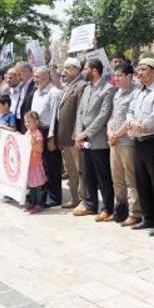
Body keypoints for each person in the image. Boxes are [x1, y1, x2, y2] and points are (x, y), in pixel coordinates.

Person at [125, 58, 154, 233]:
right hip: (138, 141)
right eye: (138, 69)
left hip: (152, 140)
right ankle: (148, 217)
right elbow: (129, 110)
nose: (139, 73)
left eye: (143, 69)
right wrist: (131, 123)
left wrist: (142, 125)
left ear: (153, 71)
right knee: (141, 181)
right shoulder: (138, 91)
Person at [74, 59, 116, 220]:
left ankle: (108, 208)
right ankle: (90, 204)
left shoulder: (108, 89)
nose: (83, 71)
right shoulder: (86, 89)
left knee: (103, 176)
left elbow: (102, 116)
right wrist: (79, 133)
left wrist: (84, 134)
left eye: (85, 68)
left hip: (98, 141)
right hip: (84, 140)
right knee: (88, 174)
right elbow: (80, 113)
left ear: (94, 71)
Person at [107, 63, 139, 224]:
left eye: (120, 75)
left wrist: (116, 134)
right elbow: (112, 116)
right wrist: (110, 133)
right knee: (117, 178)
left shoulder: (135, 93)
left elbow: (130, 120)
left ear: (129, 76)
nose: (116, 79)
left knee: (130, 179)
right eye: (115, 75)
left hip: (127, 142)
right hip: (114, 141)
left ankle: (135, 212)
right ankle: (120, 210)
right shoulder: (117, 93)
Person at [55, 58, 89, 211]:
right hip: (65, 137)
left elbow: (81, 112)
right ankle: (75, 198)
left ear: (76, 69)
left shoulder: (81, 85)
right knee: (71, 171)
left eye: (67, 68)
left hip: (74, 137)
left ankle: (84, 200)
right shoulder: (67, 86)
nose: (64, 72)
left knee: (80, 169)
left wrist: (78, 134)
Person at [30, 67, 63, 207]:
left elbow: (55, 117)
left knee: (52, 166)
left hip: (49, 131)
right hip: (38, 131)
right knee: (42, 166)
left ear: (48, 77)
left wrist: (51, 138)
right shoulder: (36, 93)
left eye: (39, 76)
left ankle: (55, 197)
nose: (36, 79)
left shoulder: (54, 93)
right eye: (35, 76)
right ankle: (43, 194)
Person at [24, 111, 48, 214]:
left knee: (37, 186)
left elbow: (40, 149)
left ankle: (39, 203)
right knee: (31, 185)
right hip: (29, 163)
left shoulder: (37, 134)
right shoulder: (27, 133)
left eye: (29, 122)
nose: (27, 124)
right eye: (26, 122)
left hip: (36, 163)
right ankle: (32, 202)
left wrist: (32, 144)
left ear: (36, 122)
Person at [14, 62, 36, 133]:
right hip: (19, 120)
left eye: (19, 74)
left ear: (27, 71)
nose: (18, 77)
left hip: (29, 123)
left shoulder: (35, 85)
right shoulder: (22, 86)